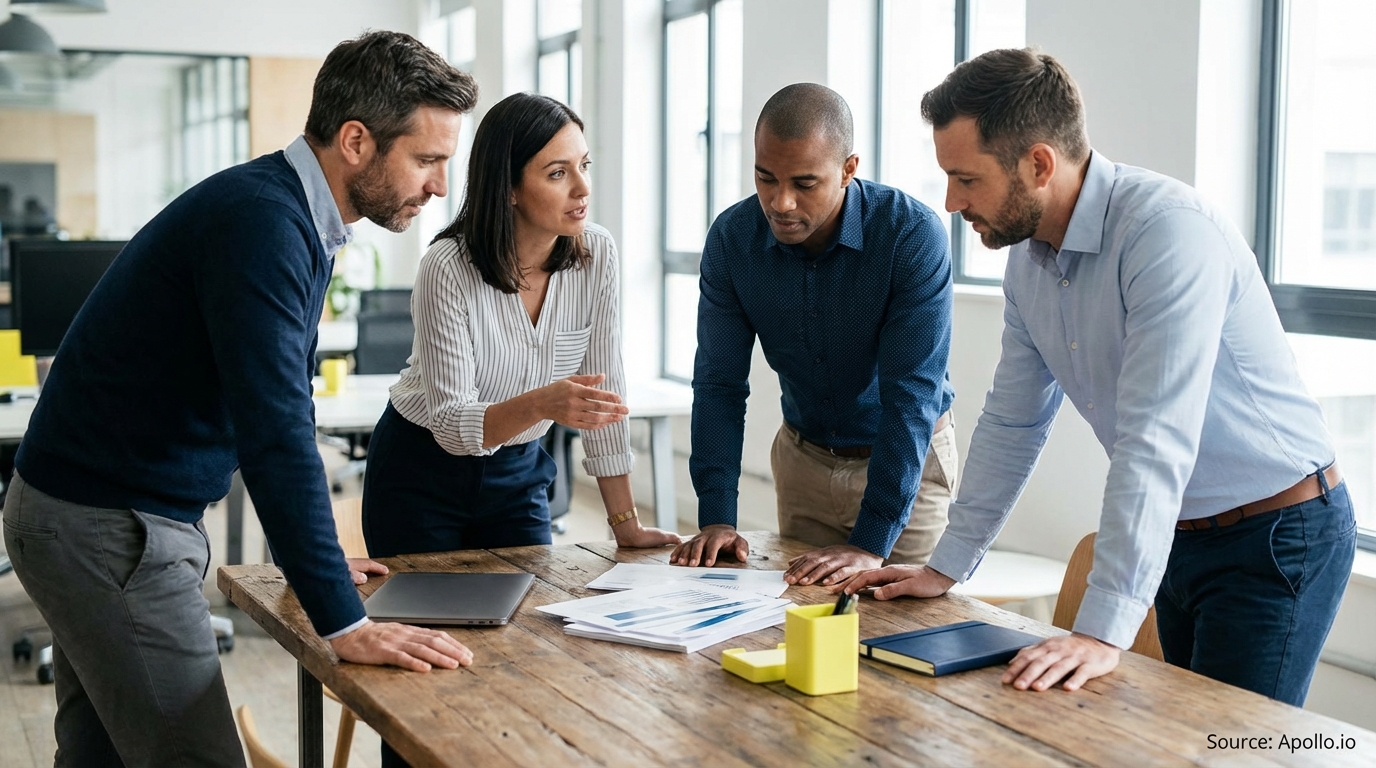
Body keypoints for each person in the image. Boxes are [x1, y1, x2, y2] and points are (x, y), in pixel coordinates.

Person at [2, 32, 479, 766]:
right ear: (356, 140)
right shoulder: (264, 224)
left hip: (92, 515)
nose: (440, 186)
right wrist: (341, 619)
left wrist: (312, 559)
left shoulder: (288, 214)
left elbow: (282, 398)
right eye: (427, 159)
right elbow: (277, 430)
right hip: (106, 529)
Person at [838, 48, 1356, 706]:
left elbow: (1154, 437)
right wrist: (947, 565)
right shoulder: (1028, 264)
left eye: (965, 179)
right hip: (1179, 533)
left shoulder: (1166, 234)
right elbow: (1013, 421)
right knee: (1182, 743)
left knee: (1238, 748)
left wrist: (1102, 631)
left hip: (1279, 535)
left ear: (1039, 164)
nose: (950, 201)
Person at [362, 93, 679, 567]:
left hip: (518, 472)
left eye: (583, 166)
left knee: (528, 616)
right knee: (429, 625)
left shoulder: (596, 254)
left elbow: (603, 393)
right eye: (557, 173)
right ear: (508, 188)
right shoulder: (447, 268)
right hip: (421, 472)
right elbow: (450, 424)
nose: (582, 188)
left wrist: (625, 525)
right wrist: (544, 402)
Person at [671, 83, 956, 589]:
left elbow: (911, 396)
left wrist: (871, 542)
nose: (781, 202)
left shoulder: (910, 235)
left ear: (848, 169)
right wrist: (717, 516)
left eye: (805, 183)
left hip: (905, 467)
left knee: (906, 638)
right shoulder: (732, 240)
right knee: (801, 627)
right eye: (765, 178)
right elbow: (718, 382)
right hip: (803, 462)